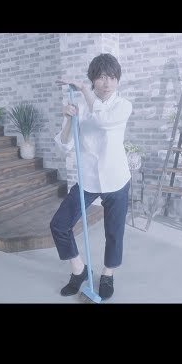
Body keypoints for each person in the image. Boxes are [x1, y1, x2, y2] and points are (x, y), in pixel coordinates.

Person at [51, 53, 132, 300]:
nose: (107, 83)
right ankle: (79, 270)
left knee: (114, 232)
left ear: (118, 80)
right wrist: (68, 120)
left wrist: (84, 90)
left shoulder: (123, 106)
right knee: (59, 225)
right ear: (93, 78)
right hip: (88, 179)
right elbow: (64, 145)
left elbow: (104, 121)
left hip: (116, 179)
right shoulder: (80, 107)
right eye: (102, 77)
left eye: (112, 77)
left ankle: (107, 274)